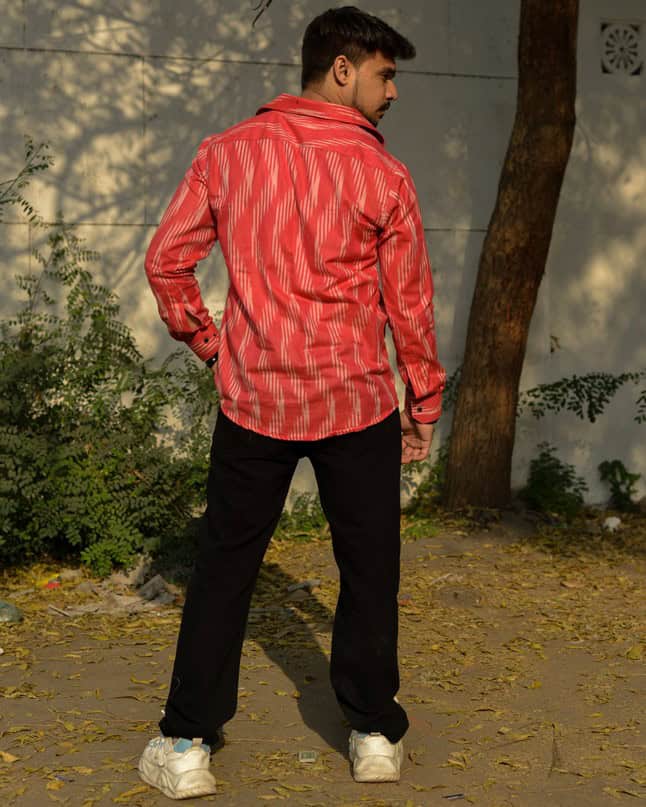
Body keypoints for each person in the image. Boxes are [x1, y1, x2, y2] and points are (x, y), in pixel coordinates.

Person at [138, 5, 445, 800]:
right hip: (358, 402)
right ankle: (373, 733)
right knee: (370, 568)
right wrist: (423, 397)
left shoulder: (228, 152)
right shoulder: (385, 175)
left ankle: (185, 743)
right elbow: (409, 303)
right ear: (342, 68)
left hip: (255, 400)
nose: (393, 92)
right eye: (385, 74)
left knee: (224, 568)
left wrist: (211, 343)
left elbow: (166, 260)